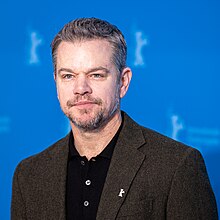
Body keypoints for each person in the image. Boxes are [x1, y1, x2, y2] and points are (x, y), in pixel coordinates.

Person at [11, 17, 218, 220]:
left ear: (123, 82)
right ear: (56, 83)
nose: (80, 89)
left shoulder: (176, 166)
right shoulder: (29, 175)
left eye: (96, 75)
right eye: (68, 76)